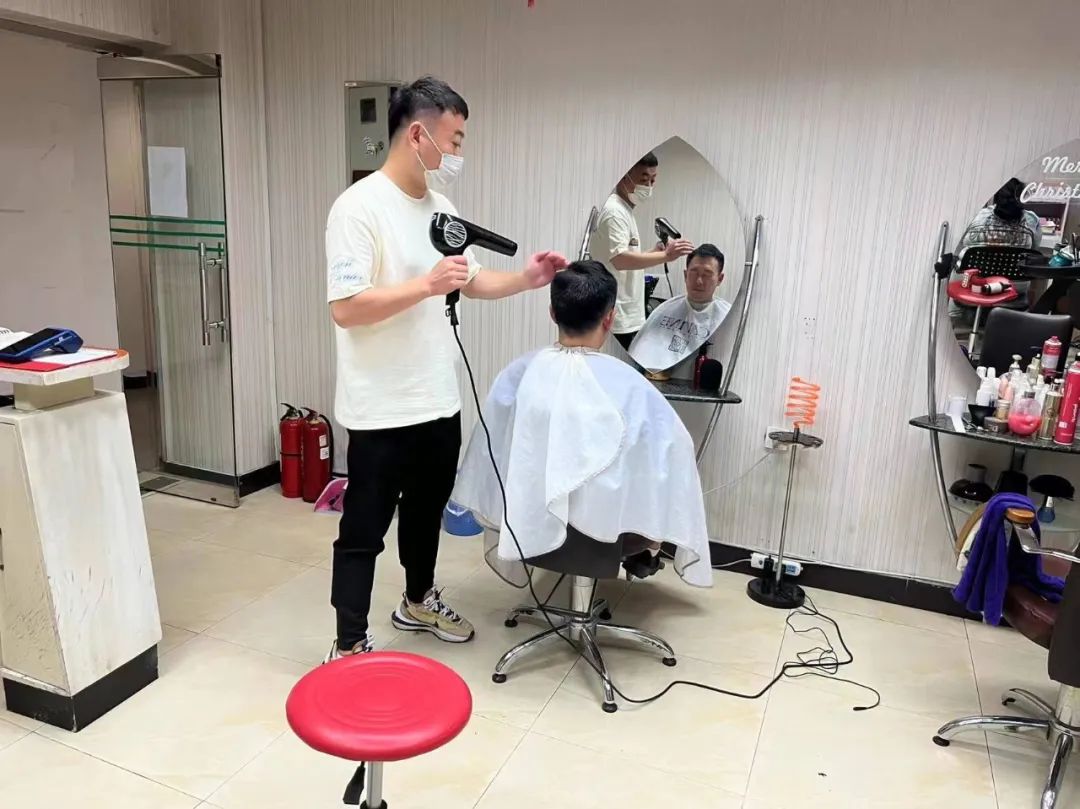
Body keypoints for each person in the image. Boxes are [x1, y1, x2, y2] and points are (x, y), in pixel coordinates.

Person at [324, 77, 569, 659]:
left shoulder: (442, 209)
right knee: (364, 529)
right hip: (380, 408)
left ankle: (417, 602)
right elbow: (346, 308)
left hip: (438, 400)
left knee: (424, 515)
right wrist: (425, 285)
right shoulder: (357, 208)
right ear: (418, 135)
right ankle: (350, 640)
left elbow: (471, 280)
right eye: (454, 140)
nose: (458, 153)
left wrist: (527, 279)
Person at [451, 261, 712, 587]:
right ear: (610, 318)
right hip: (606, 535)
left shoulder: (518, 375)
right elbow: (677, 455)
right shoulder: (631, 387)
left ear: (552, 313)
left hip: (526, 520)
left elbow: (490, 456)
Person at [589, 152, 694, 350]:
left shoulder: (624, 210)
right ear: (624, 176)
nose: (649, 186)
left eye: (653, 180)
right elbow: (620, 259)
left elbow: (619, 260)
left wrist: (653, 252)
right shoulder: (614, 212)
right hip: (617, 314)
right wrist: (666, 256)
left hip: (627, 314)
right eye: (644, 179)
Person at [628, 243, 732, 378]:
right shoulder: (665, 310)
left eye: (707, 274)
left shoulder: (728, 317)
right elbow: (637, 356)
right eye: (694, 272)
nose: (699, 281)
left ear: (720, 279)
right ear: (685, 275)